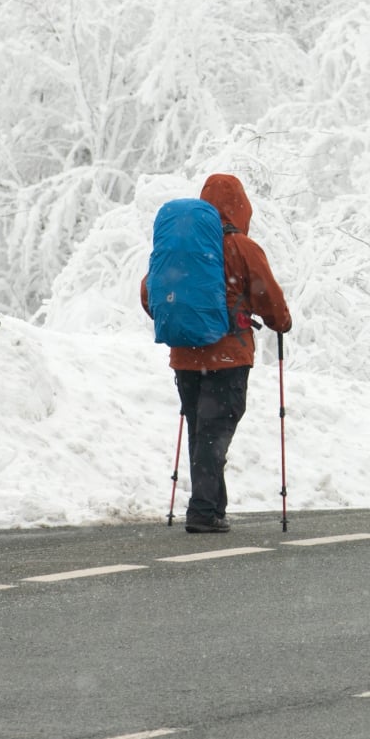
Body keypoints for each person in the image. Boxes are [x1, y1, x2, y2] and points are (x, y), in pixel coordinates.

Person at [141, 174, 292, 533]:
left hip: (185, 355)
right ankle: (204, 511)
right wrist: (281, 322)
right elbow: (267, 296)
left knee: (202, 428)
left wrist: (184, 320)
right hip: (228, 355)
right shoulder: (242, 247)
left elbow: (150, 294)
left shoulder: (182, 247)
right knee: (214, 431)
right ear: (240, 207)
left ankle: (212, 507)